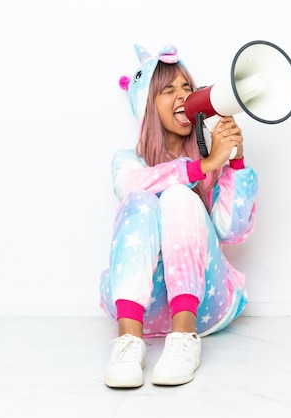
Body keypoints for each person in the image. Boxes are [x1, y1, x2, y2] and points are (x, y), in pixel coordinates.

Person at [99, 44, 258, 388]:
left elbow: (231, 231)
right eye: (169, 90)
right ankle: (128, 342)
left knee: (178, 196)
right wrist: (202, 166)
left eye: (187, 88)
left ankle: (184, 339)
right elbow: (131, 186)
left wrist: (234, 162)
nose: (183, 96)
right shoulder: (127, 162)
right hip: (145, 306)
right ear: (148, 106)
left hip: (204, 306)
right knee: (142, 200)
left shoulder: (209, 162)